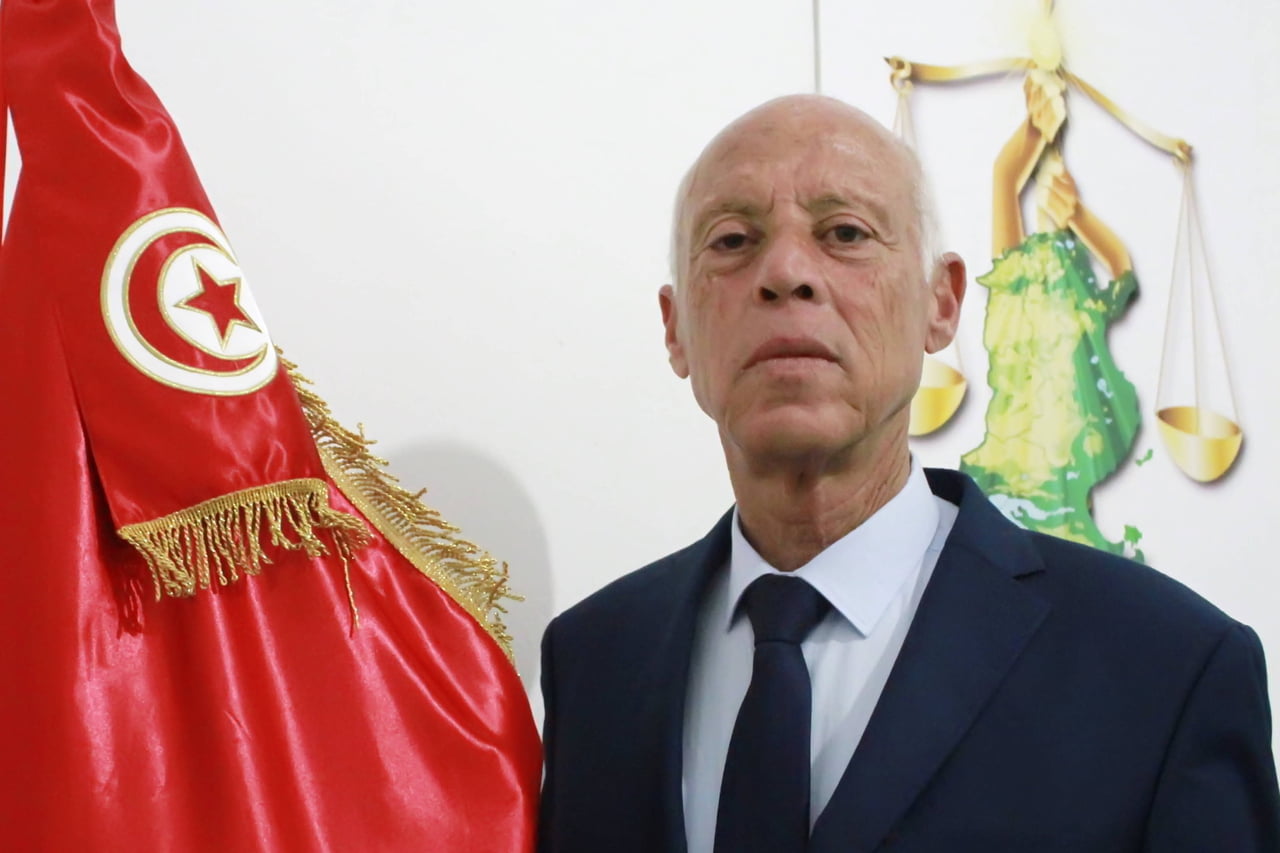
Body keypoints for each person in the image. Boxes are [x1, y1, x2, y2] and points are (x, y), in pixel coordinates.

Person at [537, 94, 1280, 852]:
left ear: (942, 304)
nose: (785, 272)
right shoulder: (595, 661)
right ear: (675, 331)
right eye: (732, 240)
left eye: (845, 233)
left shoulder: (1165, 666)